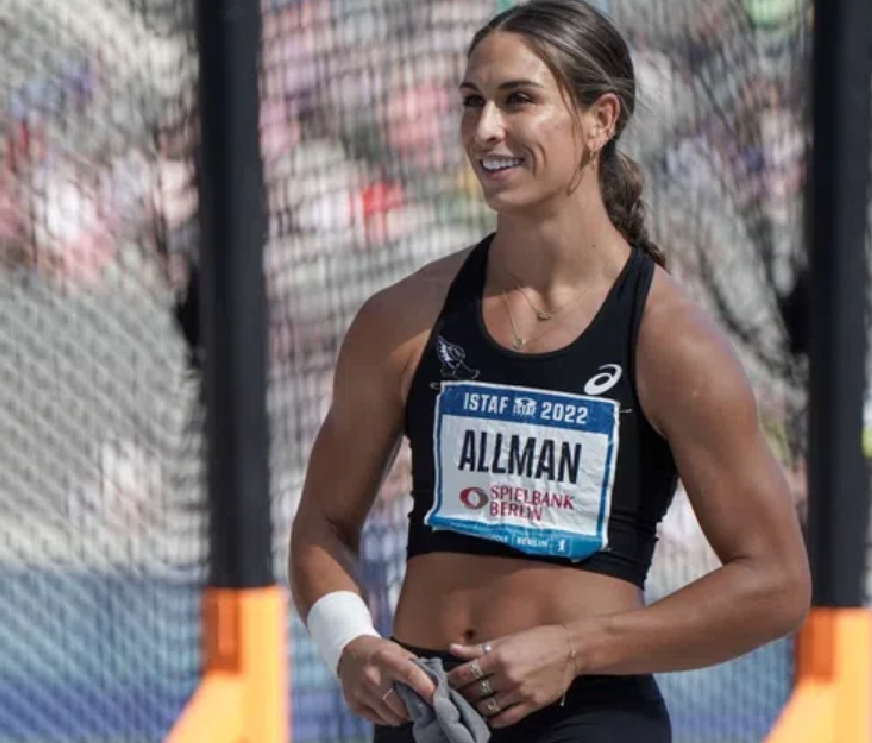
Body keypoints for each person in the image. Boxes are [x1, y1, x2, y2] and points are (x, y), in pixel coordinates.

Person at [286, 2, 812, 741]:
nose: (485, 128)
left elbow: (777, 583)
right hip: (422, 714)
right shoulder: (399, 321)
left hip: (588, 717)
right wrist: (347, 642)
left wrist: (575, 647)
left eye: (518, 100)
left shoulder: (668, 340)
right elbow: (322, 526)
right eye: (473, 101)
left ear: (601, 120)